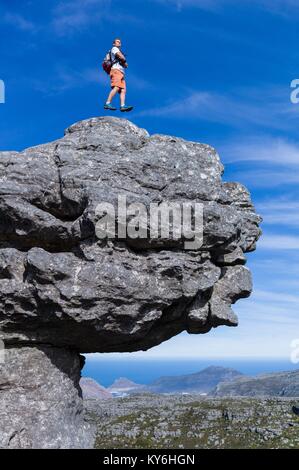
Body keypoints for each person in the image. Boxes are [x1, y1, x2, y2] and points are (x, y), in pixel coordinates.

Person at [104, 38, 133, 112]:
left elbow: (125, 65)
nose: (119, 43)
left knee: (123, 90)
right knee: (116, 87)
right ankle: (107, 103)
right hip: (116, 70)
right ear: (114, 43)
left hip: (121, 72)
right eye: (117, 42)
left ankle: (123, 106)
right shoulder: (114, 48)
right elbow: (122, 58)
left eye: (120, 42)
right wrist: (124, 60)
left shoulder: (118, 50)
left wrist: (124, 61)